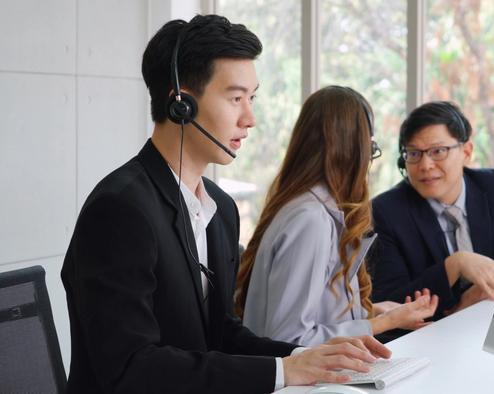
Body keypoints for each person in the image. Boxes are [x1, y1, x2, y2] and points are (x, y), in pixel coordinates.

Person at [60, 15, 390, 394]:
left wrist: (303, 358)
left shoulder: (219, 209)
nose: (250, 119)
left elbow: (221, 334)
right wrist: (282, 373)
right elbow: (131, 368)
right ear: (180, 105)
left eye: (252, 98)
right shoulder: (120, 210)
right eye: (236, 98)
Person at [235, 86, 438, 346]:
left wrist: (373, 312)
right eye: (370, 147)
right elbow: (289, 340)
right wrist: (383, 323)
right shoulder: (310, 219)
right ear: (352, 149)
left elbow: (315, 315)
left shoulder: (311, 209)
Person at [368, 101, 494, 320]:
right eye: (414, 154)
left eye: (438, 151)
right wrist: (455, 265)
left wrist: (481, 292)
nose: (425, 165)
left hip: (491, 321)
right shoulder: (385, 213)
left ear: (466, 151)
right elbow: (388, 305)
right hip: (429, 339)